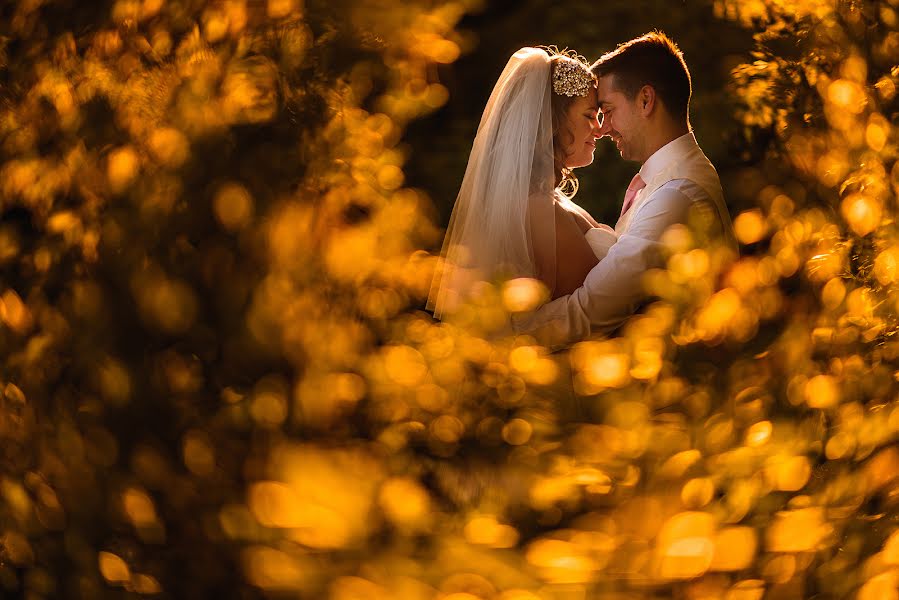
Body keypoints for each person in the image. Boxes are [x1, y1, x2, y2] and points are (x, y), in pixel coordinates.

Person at [511, 32, 736, 346]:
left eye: (608, 110)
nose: (601, 129)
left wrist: (508, 338)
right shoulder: (668, 181)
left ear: (646, 100)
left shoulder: (677, 194)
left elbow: (592, 311)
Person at [427, 47, 617, 320]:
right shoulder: (540, 209)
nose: (599, 129)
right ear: (552, 121)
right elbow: (592, 313)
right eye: (589, 115)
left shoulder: (539, 200)